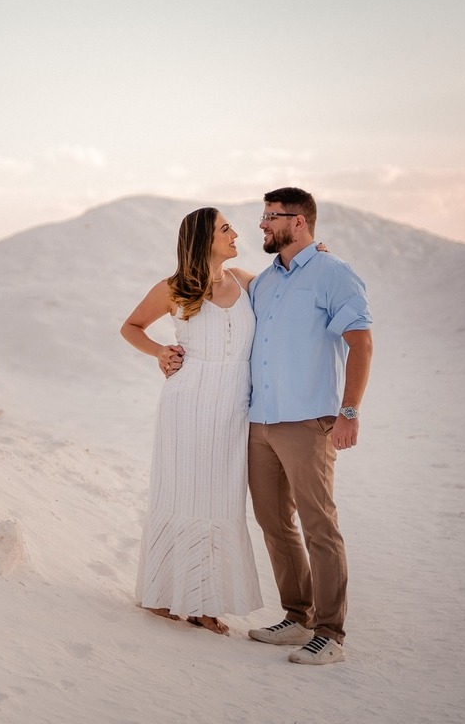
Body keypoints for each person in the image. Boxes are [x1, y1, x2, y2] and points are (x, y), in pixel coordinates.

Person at [244, 187, 373, 665]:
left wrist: (349, 411)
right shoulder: (263, 282)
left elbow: (361, 344)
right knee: (274, 522)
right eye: (262, 216)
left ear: (298, 221)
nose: (262, 224)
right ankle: (298, 617)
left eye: (270, 216)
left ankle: (330, 634)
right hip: (261, 422)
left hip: (308, 422)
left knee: (319, 525)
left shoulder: (332, 273)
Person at [121, 207, 263, 635]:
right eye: (225, 229)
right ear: (205, 239)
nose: (235, 234)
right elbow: (131, 327)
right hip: (187, 405)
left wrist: (318, 254)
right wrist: (160, 352)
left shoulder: (246, 281)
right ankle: (166, 595)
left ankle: (204, 600)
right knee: (181, 495)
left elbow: (293, 284)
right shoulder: (174, 288)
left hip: (233, 407)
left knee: (221, 500)